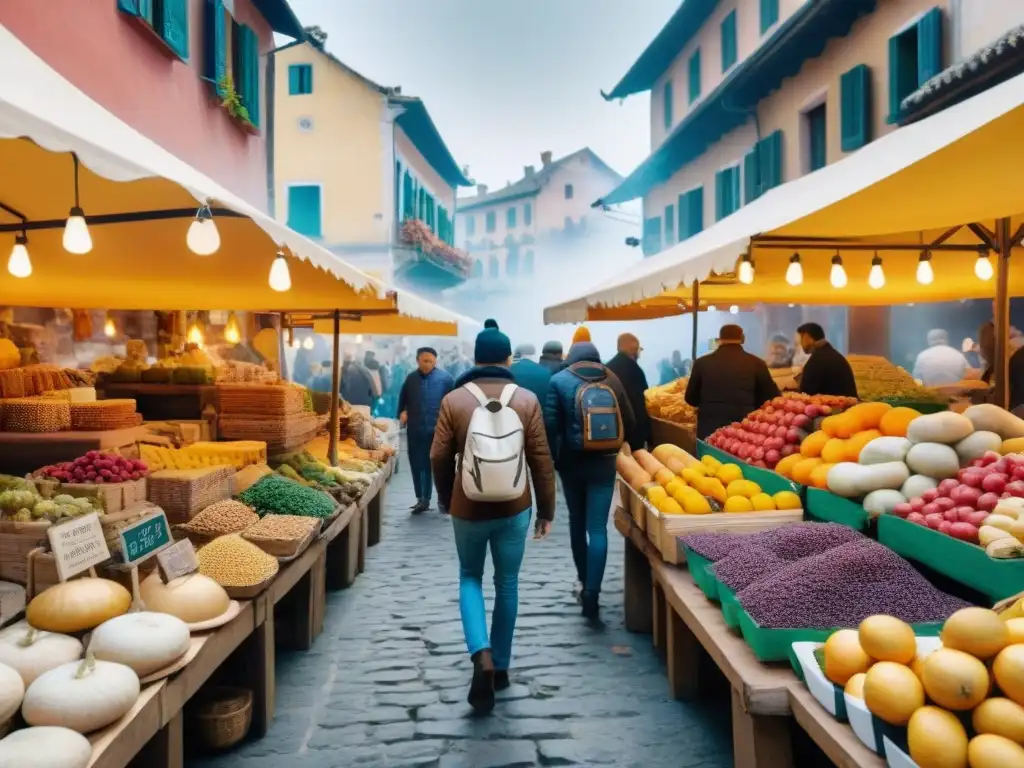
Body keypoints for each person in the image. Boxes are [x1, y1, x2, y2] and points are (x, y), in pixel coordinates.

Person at [430, 322, 556, 713]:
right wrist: (546, 510)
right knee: (508, 583)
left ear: (474, 358)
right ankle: (500, 666)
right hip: (514, 507)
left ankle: (480, 654)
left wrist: (446, 496)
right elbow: (541, 460)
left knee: (470, 576)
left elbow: (437, 455)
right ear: (507, 359)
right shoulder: (526, 400)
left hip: (467, 506)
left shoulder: (454, 400)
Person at [546, 339, 636, 619]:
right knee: (598, 528)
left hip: (571, 464)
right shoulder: (612, 378)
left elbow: (549, 424)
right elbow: (630, 421)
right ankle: (592, 595)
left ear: (571, 358)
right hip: (604, 463)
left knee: (576, 521)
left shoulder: (559, 380)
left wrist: (554, 457)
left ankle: (583, 580)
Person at [685, 325, 781, 439]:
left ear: (719, 339)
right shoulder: (757, 363)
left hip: (709, 429)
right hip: (744, 429)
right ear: (742, 338)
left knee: (707, 455)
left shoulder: (701, 363)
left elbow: (690, 398)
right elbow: (771, 396)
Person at [398, 347, 454, 513]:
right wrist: (403, 412)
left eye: (431, 361)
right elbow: (403, 402)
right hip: (416, 430)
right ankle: (422, 499)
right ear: (417, 361)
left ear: (436, 361)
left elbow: (454, 404)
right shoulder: (411, 379)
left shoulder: (446, 379)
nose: (428, 364)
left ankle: (444, 500)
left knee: (440, 466)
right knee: (418, 465)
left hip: (439, 431)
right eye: (424, 361)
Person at [605, 333, 651, 451]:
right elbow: (641, 404)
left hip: (611, 432)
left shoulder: (607, 369)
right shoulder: (636, 371)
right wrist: (648, 435)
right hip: (633, 433)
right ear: (634, 350)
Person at [796, 322, 858, 398]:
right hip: (850, 405)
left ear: (807, 337)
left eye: (802, 338)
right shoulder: (831, 354)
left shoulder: (817, 359)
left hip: (838, 408)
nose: (801, 343)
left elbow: (805, 393)